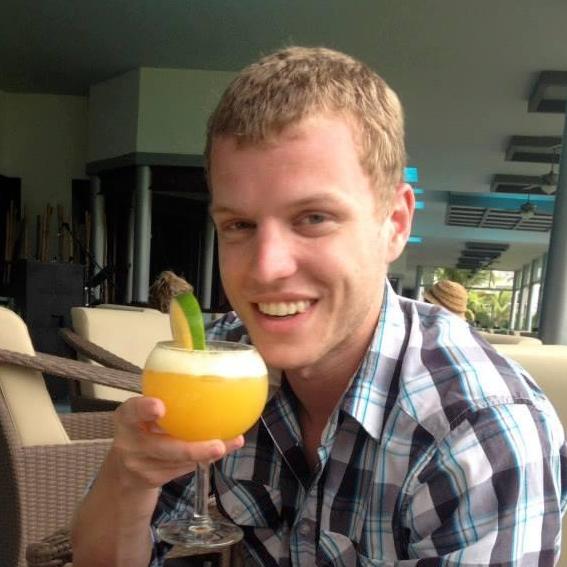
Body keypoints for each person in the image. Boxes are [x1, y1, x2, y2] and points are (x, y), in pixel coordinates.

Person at [71, 46, 567, 566]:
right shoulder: (220, 362)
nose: (266, 267)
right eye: (239, 225)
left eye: (313, 218)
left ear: (395, 223)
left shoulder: (478, 435)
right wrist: (128, 479)